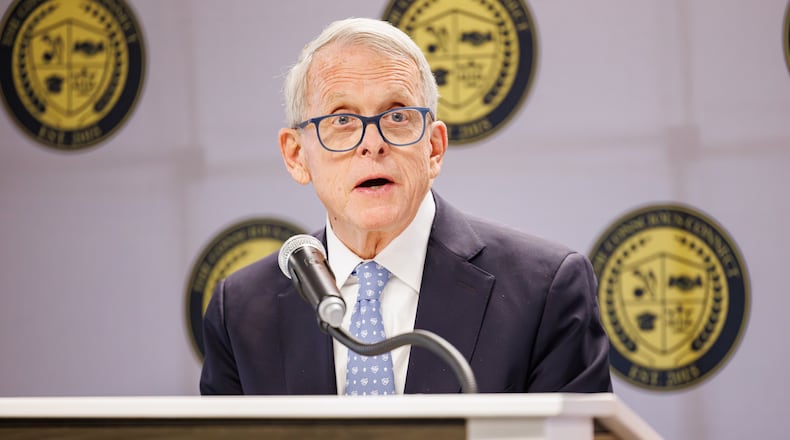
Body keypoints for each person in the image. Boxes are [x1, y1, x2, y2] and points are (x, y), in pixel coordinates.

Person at [200, 17, 612, 395]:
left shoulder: (545, 292)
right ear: (296, 156)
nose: (372, 143)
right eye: (342, 120)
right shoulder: (240, 310)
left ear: (433, 148)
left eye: (397, 116)